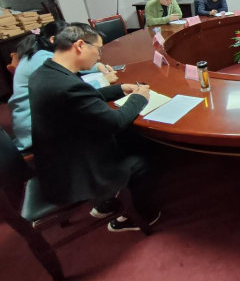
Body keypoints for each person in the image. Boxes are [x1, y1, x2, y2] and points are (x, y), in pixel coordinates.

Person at [29, 23, 160, 232]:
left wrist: (119, 89)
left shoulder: (46, 72)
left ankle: (107, 202)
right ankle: (141, 214)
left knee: (131, 138)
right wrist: (139, 98)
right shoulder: (67, 86)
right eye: (99, 50)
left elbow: (82, 99)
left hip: (57, 159)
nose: (99, 57)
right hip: (75, 172)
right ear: (80, 45)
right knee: (141, 158)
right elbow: (115, 122)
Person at [8, 21, 118, 152]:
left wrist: (96, 66)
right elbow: (69, 88)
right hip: (36, 133)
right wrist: (102, 81)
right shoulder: (41, 60)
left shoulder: (40, 53)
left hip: (40, 122)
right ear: (54, 40)